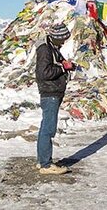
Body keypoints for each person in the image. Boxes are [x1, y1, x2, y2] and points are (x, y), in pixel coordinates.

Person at [35, 23, 75, 175]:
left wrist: (66, 66)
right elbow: (44, 72)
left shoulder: (52, 48)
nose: (64, 42)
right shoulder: (45, 50)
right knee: (49, 128)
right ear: (57, 38)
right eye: (63, 39)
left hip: (52, 92)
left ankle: (42, 160)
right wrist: (63, 68)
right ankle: (46, 164)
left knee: (45, 126)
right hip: (50, 92)